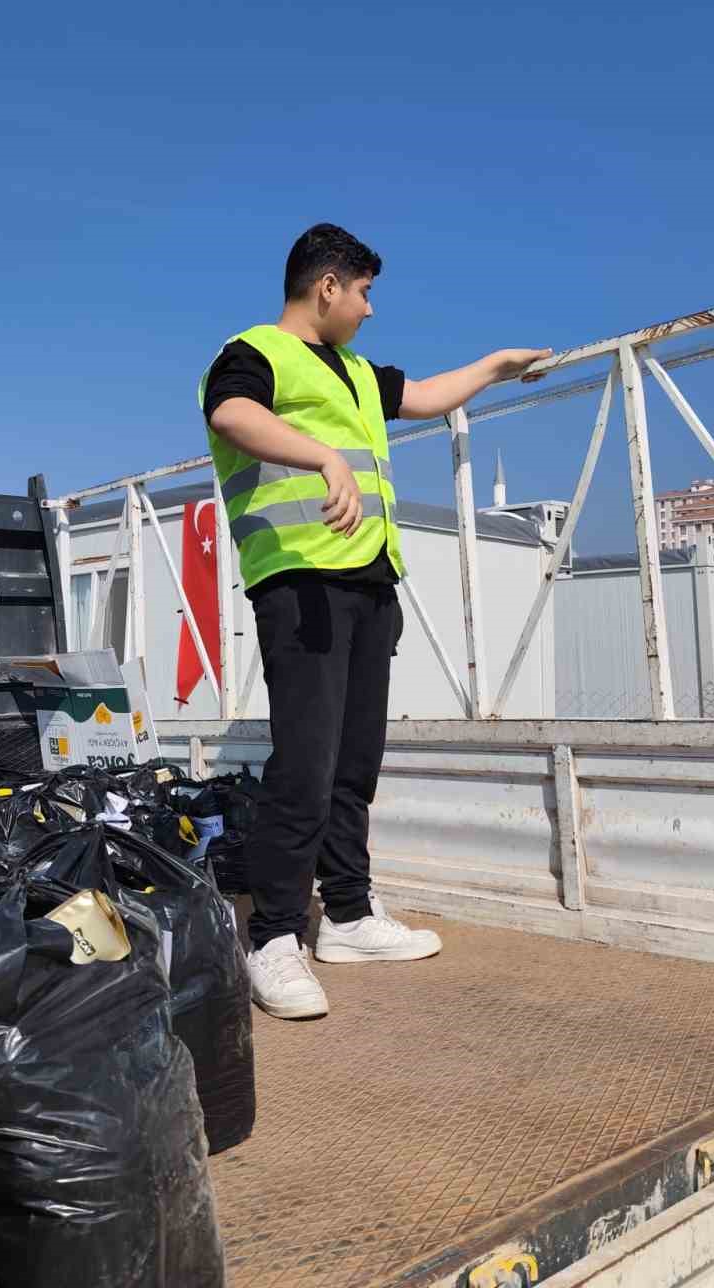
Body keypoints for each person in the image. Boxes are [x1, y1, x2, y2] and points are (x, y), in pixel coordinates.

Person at [200, 225, 551, 1019]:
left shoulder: (357, 373)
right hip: (301, 583)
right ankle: (275, 937)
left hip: (369, 584)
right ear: (327, 286)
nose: (368, 309)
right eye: (362, 293)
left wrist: (497, 366)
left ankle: (350, 916)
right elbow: (232, 416)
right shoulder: (252, 351)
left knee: (356, 761)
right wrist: (320, 458)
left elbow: (423, 395)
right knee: (306, 763)